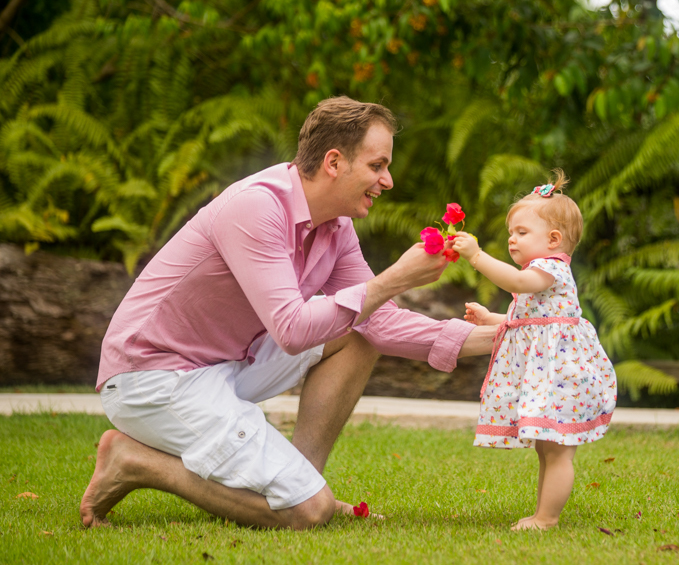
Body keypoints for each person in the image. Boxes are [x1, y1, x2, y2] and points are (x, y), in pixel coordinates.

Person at [80, 96, 495, 530]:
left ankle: (302, 478)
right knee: (309, 513)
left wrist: (508, 332)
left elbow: (380, 321)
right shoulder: (256, 208)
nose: (387, 180)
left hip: (229, 364)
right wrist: (394, 279)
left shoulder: (336, 227)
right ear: (334, 162)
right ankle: (136, 462)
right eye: (377, 166)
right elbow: (293, 330)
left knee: (358, 332)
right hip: (155, 377)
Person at [450, 170, 617, 531]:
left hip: (561, 380)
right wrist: (491, 317)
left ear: (554, 240)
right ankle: (543, 513)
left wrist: (477, 256)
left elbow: (517, 281)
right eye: (512, 233)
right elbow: (528, 321)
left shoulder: (548, 268)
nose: (512, 240)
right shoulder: (540, 276)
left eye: (521, 233)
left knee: (556, 453)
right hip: (552, 382)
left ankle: (547, 518)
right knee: (547, 450)